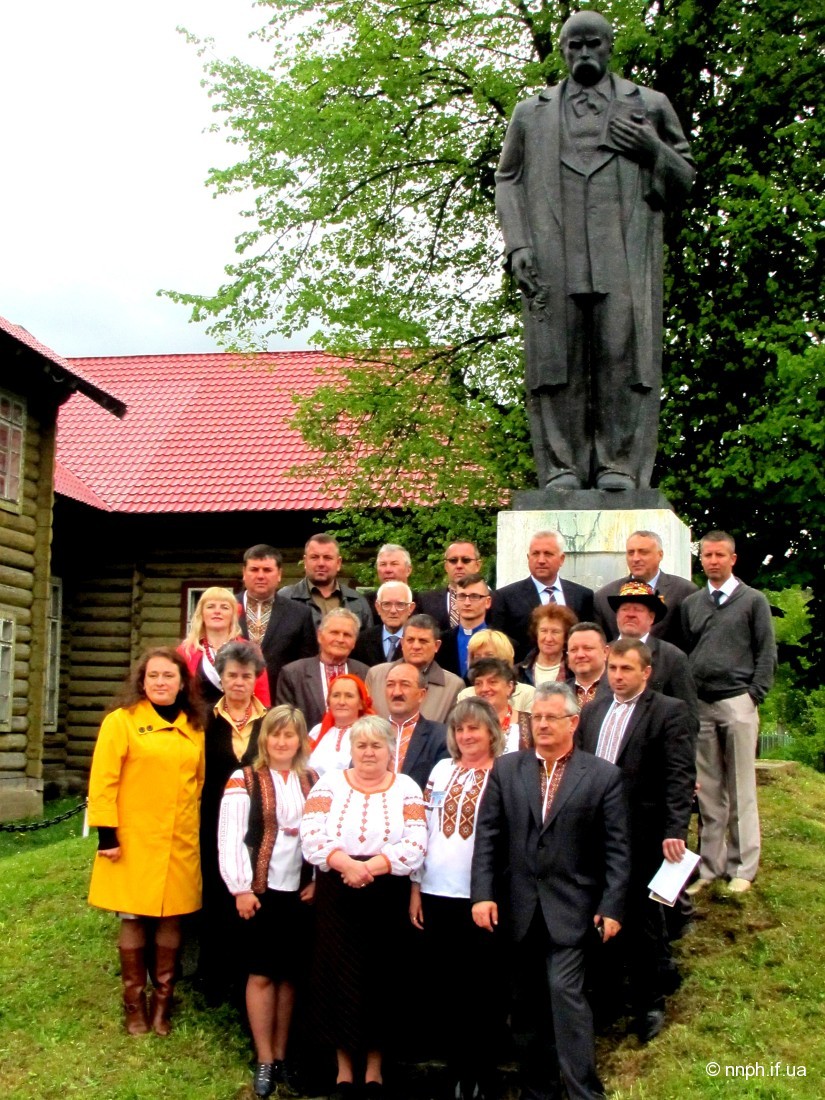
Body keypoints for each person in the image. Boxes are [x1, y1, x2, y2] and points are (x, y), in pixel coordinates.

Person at [496, 11, 695, 491]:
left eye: (593, 44)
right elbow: (508, 179)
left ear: (609, 47)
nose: (584, 53)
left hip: (622, 252)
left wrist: (652, 149)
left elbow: (685, 178)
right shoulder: (531, 113)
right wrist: (518, 243)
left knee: (622, 357)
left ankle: (618, 465)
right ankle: (561, 467)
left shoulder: (651, 105)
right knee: (555, 363)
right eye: (575, 45)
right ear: (562, 51)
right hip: (552, 255)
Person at [471, 682, 629, 1100]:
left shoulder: (602, 776)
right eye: (536, 717)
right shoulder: (507, 769)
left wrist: (612, 905)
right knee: (525, 1003)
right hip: (518, 907)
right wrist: (482, 894)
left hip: (573, 907)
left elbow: (617, 849)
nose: (541, 724)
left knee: (564, 993)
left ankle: (582, 1092)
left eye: (550, 718)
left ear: (573, 722)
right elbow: (488, 837)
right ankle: (538, 1090)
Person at [301, 716, 427, 1100]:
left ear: (390, 749)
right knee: (337, 976)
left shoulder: (406, 787)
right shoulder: (329, 784)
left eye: (376, 745)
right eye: (361, 745)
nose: (369, 752)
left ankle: (374, 1072)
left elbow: (417, 843)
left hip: (386, 893)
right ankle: (343, 1071)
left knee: (382, 977)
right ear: (351, 749)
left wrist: (370, 867)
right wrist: (347, 865)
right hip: (337, 892)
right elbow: (311, 834)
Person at [577, 639, 696, 1042]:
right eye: (613, 668)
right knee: (600, 913)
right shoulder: (593, 711)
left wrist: (675, 830)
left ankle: (650, 1002)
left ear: (646, 672)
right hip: (597, 832)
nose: (617, 676)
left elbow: (679, 775)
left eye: (626, 669)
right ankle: (608, 1001)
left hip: (643, 830)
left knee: (644, 918)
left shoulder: (668, 711)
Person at [87, 648, 206, 1036]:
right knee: (133, 916)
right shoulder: (121, 722)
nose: (160, 682)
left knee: (173, 916)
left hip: (179, 839)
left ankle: (163, 1004)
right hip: (133, 838)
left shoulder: (194, 726)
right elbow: (103, 781)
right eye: (153, 675)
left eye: (168, 675)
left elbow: (198, 782)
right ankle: (134, 1005)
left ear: (182, 682)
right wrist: (107, 834)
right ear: (142, 681)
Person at [218, 706, 318, 1099]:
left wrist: (318, 881)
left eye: (289, 735)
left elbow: (323, 833)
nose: (281, 741)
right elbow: (230, 835)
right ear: (265, 739)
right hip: (260, 892)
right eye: (275, 734)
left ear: (300, 740)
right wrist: (241, 887)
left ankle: (281, 1054)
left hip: (299, 892)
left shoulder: (313, 780)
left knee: (289, 976)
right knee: (261, 974)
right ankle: (263, 1058)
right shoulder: (244, 779)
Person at [410, 699, 507, 1100]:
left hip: (482, 897)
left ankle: (483, 1072)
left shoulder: (505, 772)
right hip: (436, 891)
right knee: (447, 986)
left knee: (482, 988)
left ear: (491, 732)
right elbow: (423, 828)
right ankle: (457, 1072)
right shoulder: (440, 770)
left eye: (474, 729)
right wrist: (415, 886)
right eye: (460, 729)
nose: (466, 736)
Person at [681, 531, 777, 894]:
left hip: (738, 701)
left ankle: (742, 868)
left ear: (732, 559)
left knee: (741, 788)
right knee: (708, 791)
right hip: (701, 705)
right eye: (707, 555)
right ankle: (710, 867)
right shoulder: (692, 604)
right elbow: (689, 651)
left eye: (720, 555)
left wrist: (754, 696)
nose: (713, 561)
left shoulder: (753, 601)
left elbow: (766, 652)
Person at [197, 640, 269, 1002]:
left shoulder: (270, 720)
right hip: (211, 816)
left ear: (256, 679)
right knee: (215, 889)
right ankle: (213, 977)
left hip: (257, 819)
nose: (239, 682)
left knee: (252, 889)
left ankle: (246, 979)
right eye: (232, 675)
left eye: (246, 676)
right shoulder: (202, 719)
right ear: (221, 678)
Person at [490, 531, 594, 661]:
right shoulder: (505, 597)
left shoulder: (582, 596)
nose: (541, 560)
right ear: (528, 558)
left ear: (561, 559)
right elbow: (500, 644)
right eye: (535, 554)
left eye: (548, 554)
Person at [607, 580, 698, 729]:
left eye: (638, 610)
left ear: (651, 617)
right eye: (625, 609)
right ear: (617, 616)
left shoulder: (672, 657)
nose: (630, 614)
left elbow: (688, 716)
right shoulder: (601, 653)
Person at [236, 544, 318, 697]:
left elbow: (306, 666)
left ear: (279, 574)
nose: (260, 576)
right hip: (231, 700)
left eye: (267, 570)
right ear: (244, 573)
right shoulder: (226, 609)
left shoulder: (299, 614)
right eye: (254, 569)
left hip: (280, 699)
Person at [594, 530, 697, 649]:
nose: (636, 558)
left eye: (643, 552)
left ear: (660, 555)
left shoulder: (684, 591)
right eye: (631, 553)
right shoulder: (604, 596)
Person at [276, 608, 370, 731]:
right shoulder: (293, 674)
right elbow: (284, 723)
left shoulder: (366, 673)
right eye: (334, 633)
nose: (340, 639)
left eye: (347, 635)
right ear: (320, 636)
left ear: (354, 642)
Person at [179, 587, 271, 707]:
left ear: (233, 614)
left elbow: (262, 698)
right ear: (201, 613)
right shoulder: (185, 651)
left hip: (240, 717)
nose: (217, 611)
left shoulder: (250, 651)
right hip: (196, 717)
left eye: (224, 607)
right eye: (210, 606)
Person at [367, 614, 465, 724]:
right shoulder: (376, 675)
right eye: (410, 640)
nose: (416, 646)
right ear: (402, 643)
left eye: (423, 641)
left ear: (436, 646)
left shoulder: (453, 686)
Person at [280, 533, 373, 630]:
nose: (321, 563)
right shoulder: (285, 598)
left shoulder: (357, 601)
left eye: (327, 558)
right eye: (314, 557)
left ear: (338, 563)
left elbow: (368, 638)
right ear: (305, 561)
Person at [384, 661, 449, 789]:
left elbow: (442, 787)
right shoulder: (370, 734)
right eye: (390, 685)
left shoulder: (441, 736)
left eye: (405, 685)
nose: (396, 692)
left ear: (422, 694)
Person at [456, 629, 536, 719]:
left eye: (489, 655)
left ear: (504, 657)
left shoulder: (528, 694)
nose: (483, 661)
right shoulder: (465, 696)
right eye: (477, 657)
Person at [308, 673, 375, 776]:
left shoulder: (371, 733)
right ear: (328, 702)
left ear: (361, 704)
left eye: (349, 696)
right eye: (336, 695)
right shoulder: (316, 732)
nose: (341, 702)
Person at [468, 657, 532, 754]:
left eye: (492, 682)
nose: (484, 689)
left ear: (509, 686)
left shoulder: (530, 722)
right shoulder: (465, 724)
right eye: (478, 683)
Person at [416, 541, 483, 631]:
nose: (459, 565)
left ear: (478, 565)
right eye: (453, 561)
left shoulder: (494, 600)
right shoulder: (425, 601)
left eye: (466, 560)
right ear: (446, 566)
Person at [438, 574, 494, 678]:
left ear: (487, 602)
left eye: (474, 596)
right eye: (462, 596)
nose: (467, 603)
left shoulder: (502, 643)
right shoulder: (440, 642)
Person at [353, 581, 416, 666]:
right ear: (378, 607)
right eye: (386, 604)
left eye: (400, 605)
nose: (393, 610)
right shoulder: (362, 641)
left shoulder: (420, 641)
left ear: (411, 608)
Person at [517, 602, 579, 687]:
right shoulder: (518, 671)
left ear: (566, 636)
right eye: (543, 631)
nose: (548, 638)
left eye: (555, 632)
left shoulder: (575, 671)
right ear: (536, 633)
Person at [566, 622, 610, 706]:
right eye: (573, 650)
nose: (580, 655)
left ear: (605, 652)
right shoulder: (559, 692)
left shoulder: (618, 689)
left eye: (588, 648)